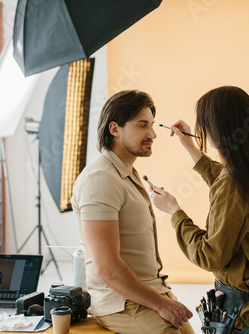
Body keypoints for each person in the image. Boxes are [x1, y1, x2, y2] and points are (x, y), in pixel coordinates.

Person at [151, 86, 249, 334]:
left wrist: (175, 213)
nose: (201, 130)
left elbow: (211, 255)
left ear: (216, 129)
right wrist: (192, 148)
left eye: (204, 124)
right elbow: (230, 185)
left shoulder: (234, 183)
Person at [71, 90, 194, 334]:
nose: (153, 134)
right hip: (122, 303)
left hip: (149, 293)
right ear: (115, 129)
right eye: (142, 125)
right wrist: (162, 305)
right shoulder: (101, 179)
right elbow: (107, 268)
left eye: (151, 124)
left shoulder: (128, 174)